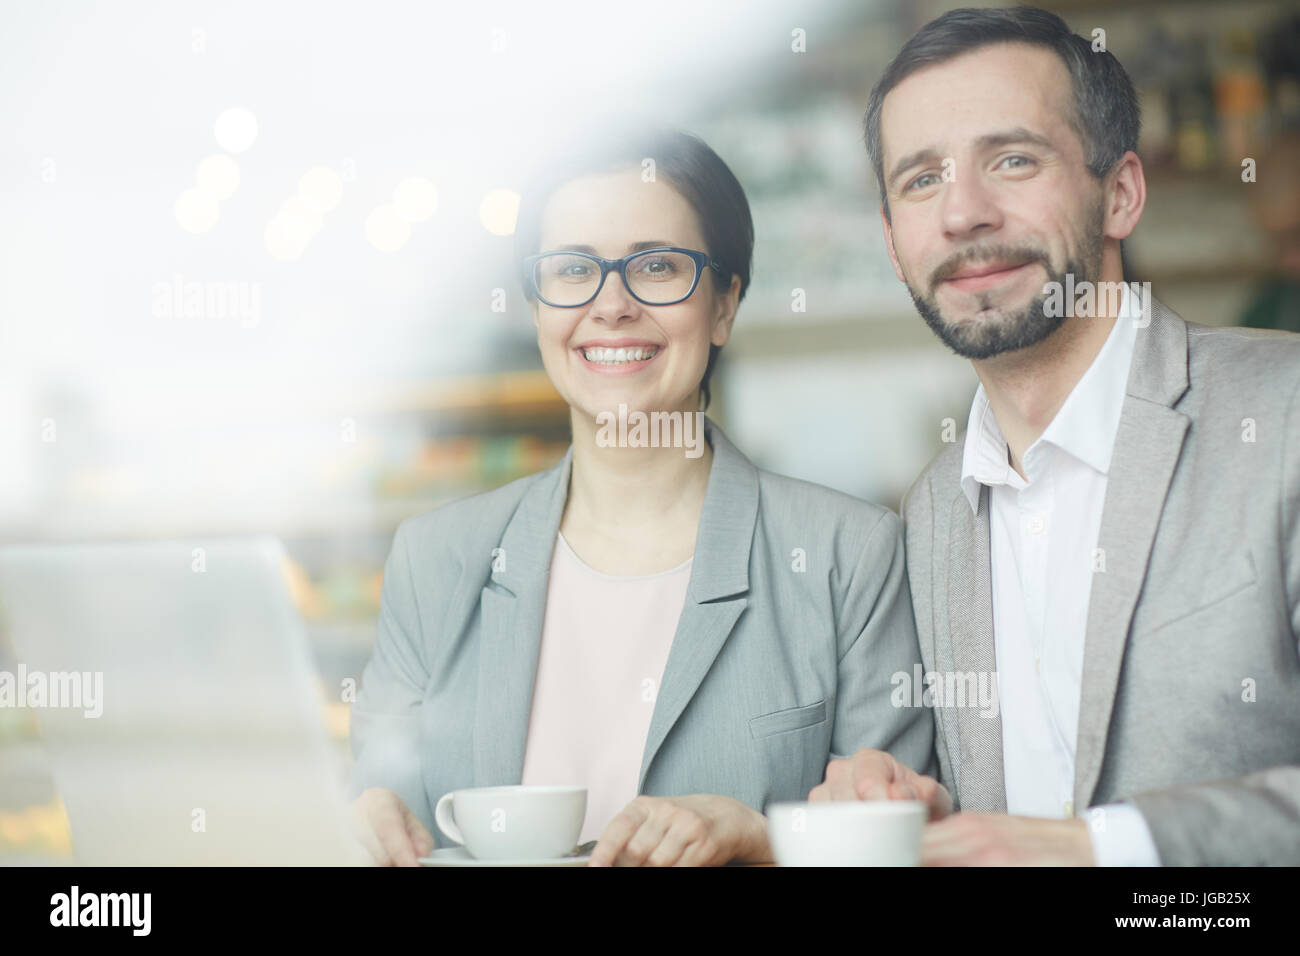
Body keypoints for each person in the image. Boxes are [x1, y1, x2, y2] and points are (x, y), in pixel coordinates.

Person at [349, 128, 933, 866]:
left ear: (725, 305)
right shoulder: (435, 560)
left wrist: (765, 841)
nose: (612, 305)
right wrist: (360, 818)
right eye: (572, 271)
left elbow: (897, 847)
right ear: (537, 311)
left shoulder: (849, 556)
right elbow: (375, 798)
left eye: (658, 267)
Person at [814, 6, 1300, 865]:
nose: (964, 213)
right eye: (922, 179)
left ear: (1119, 193)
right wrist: (914, 806)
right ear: (893, 244)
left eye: (1012, 160)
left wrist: (1103, 851)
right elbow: (1007, 819)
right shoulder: (927, 515)